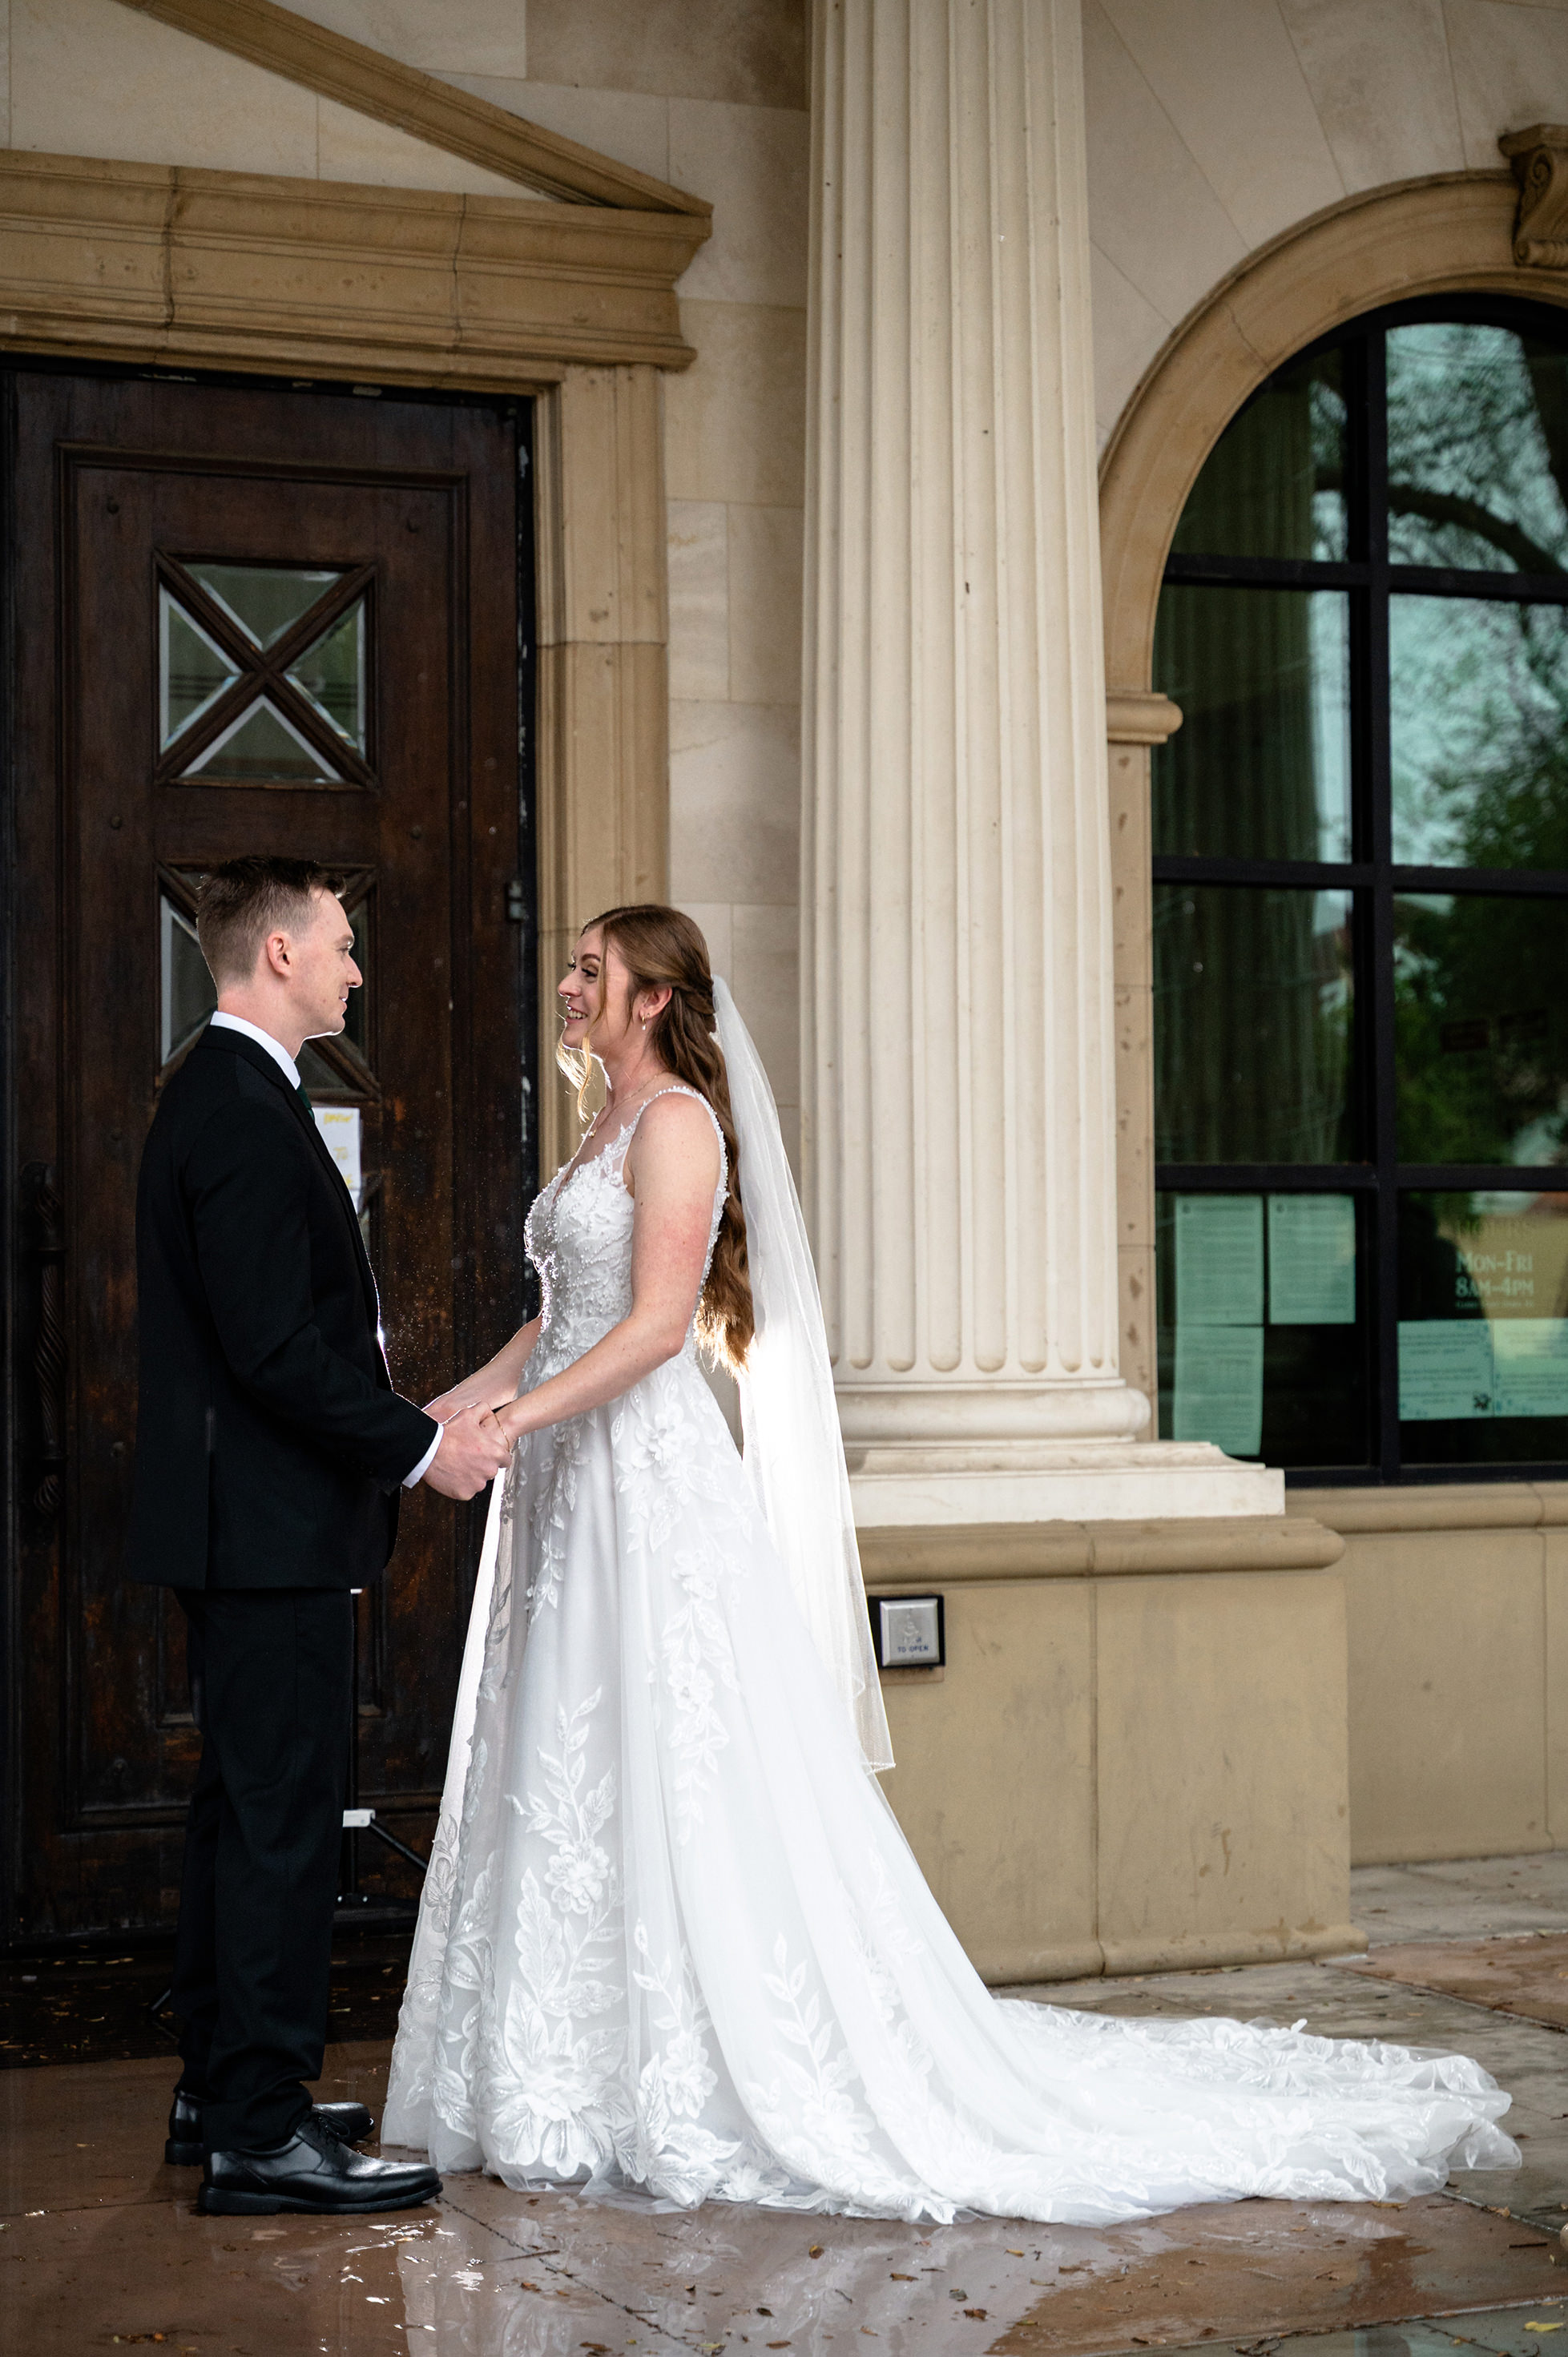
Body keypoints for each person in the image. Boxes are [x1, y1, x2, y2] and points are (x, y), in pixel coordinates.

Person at [384, 902, 1518, 2222]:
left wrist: (513, 1424)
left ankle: (693, 2066)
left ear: (651, 997)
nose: (569, 983)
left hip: (639, 1480)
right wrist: (441, 1414)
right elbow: (554, 1318)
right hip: (570, 1486)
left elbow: (648, 1329)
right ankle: (559, 2068)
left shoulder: (678, 1121)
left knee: (667, 1750)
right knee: (568, 1758)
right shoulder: (597, 1128)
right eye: (572, 965)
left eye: (593, 968)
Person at [123, 856, 511, 2218]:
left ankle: (222, 2088)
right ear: (278, 951)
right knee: (280, 1824)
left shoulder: (233, 1092)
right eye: (342, 945)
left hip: (255, 1524)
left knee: (244, 1810)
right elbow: (275, 1349)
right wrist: (422, 1442)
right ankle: (262, 2128)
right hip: (266, 1529)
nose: (356, 970)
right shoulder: (234, 1105)